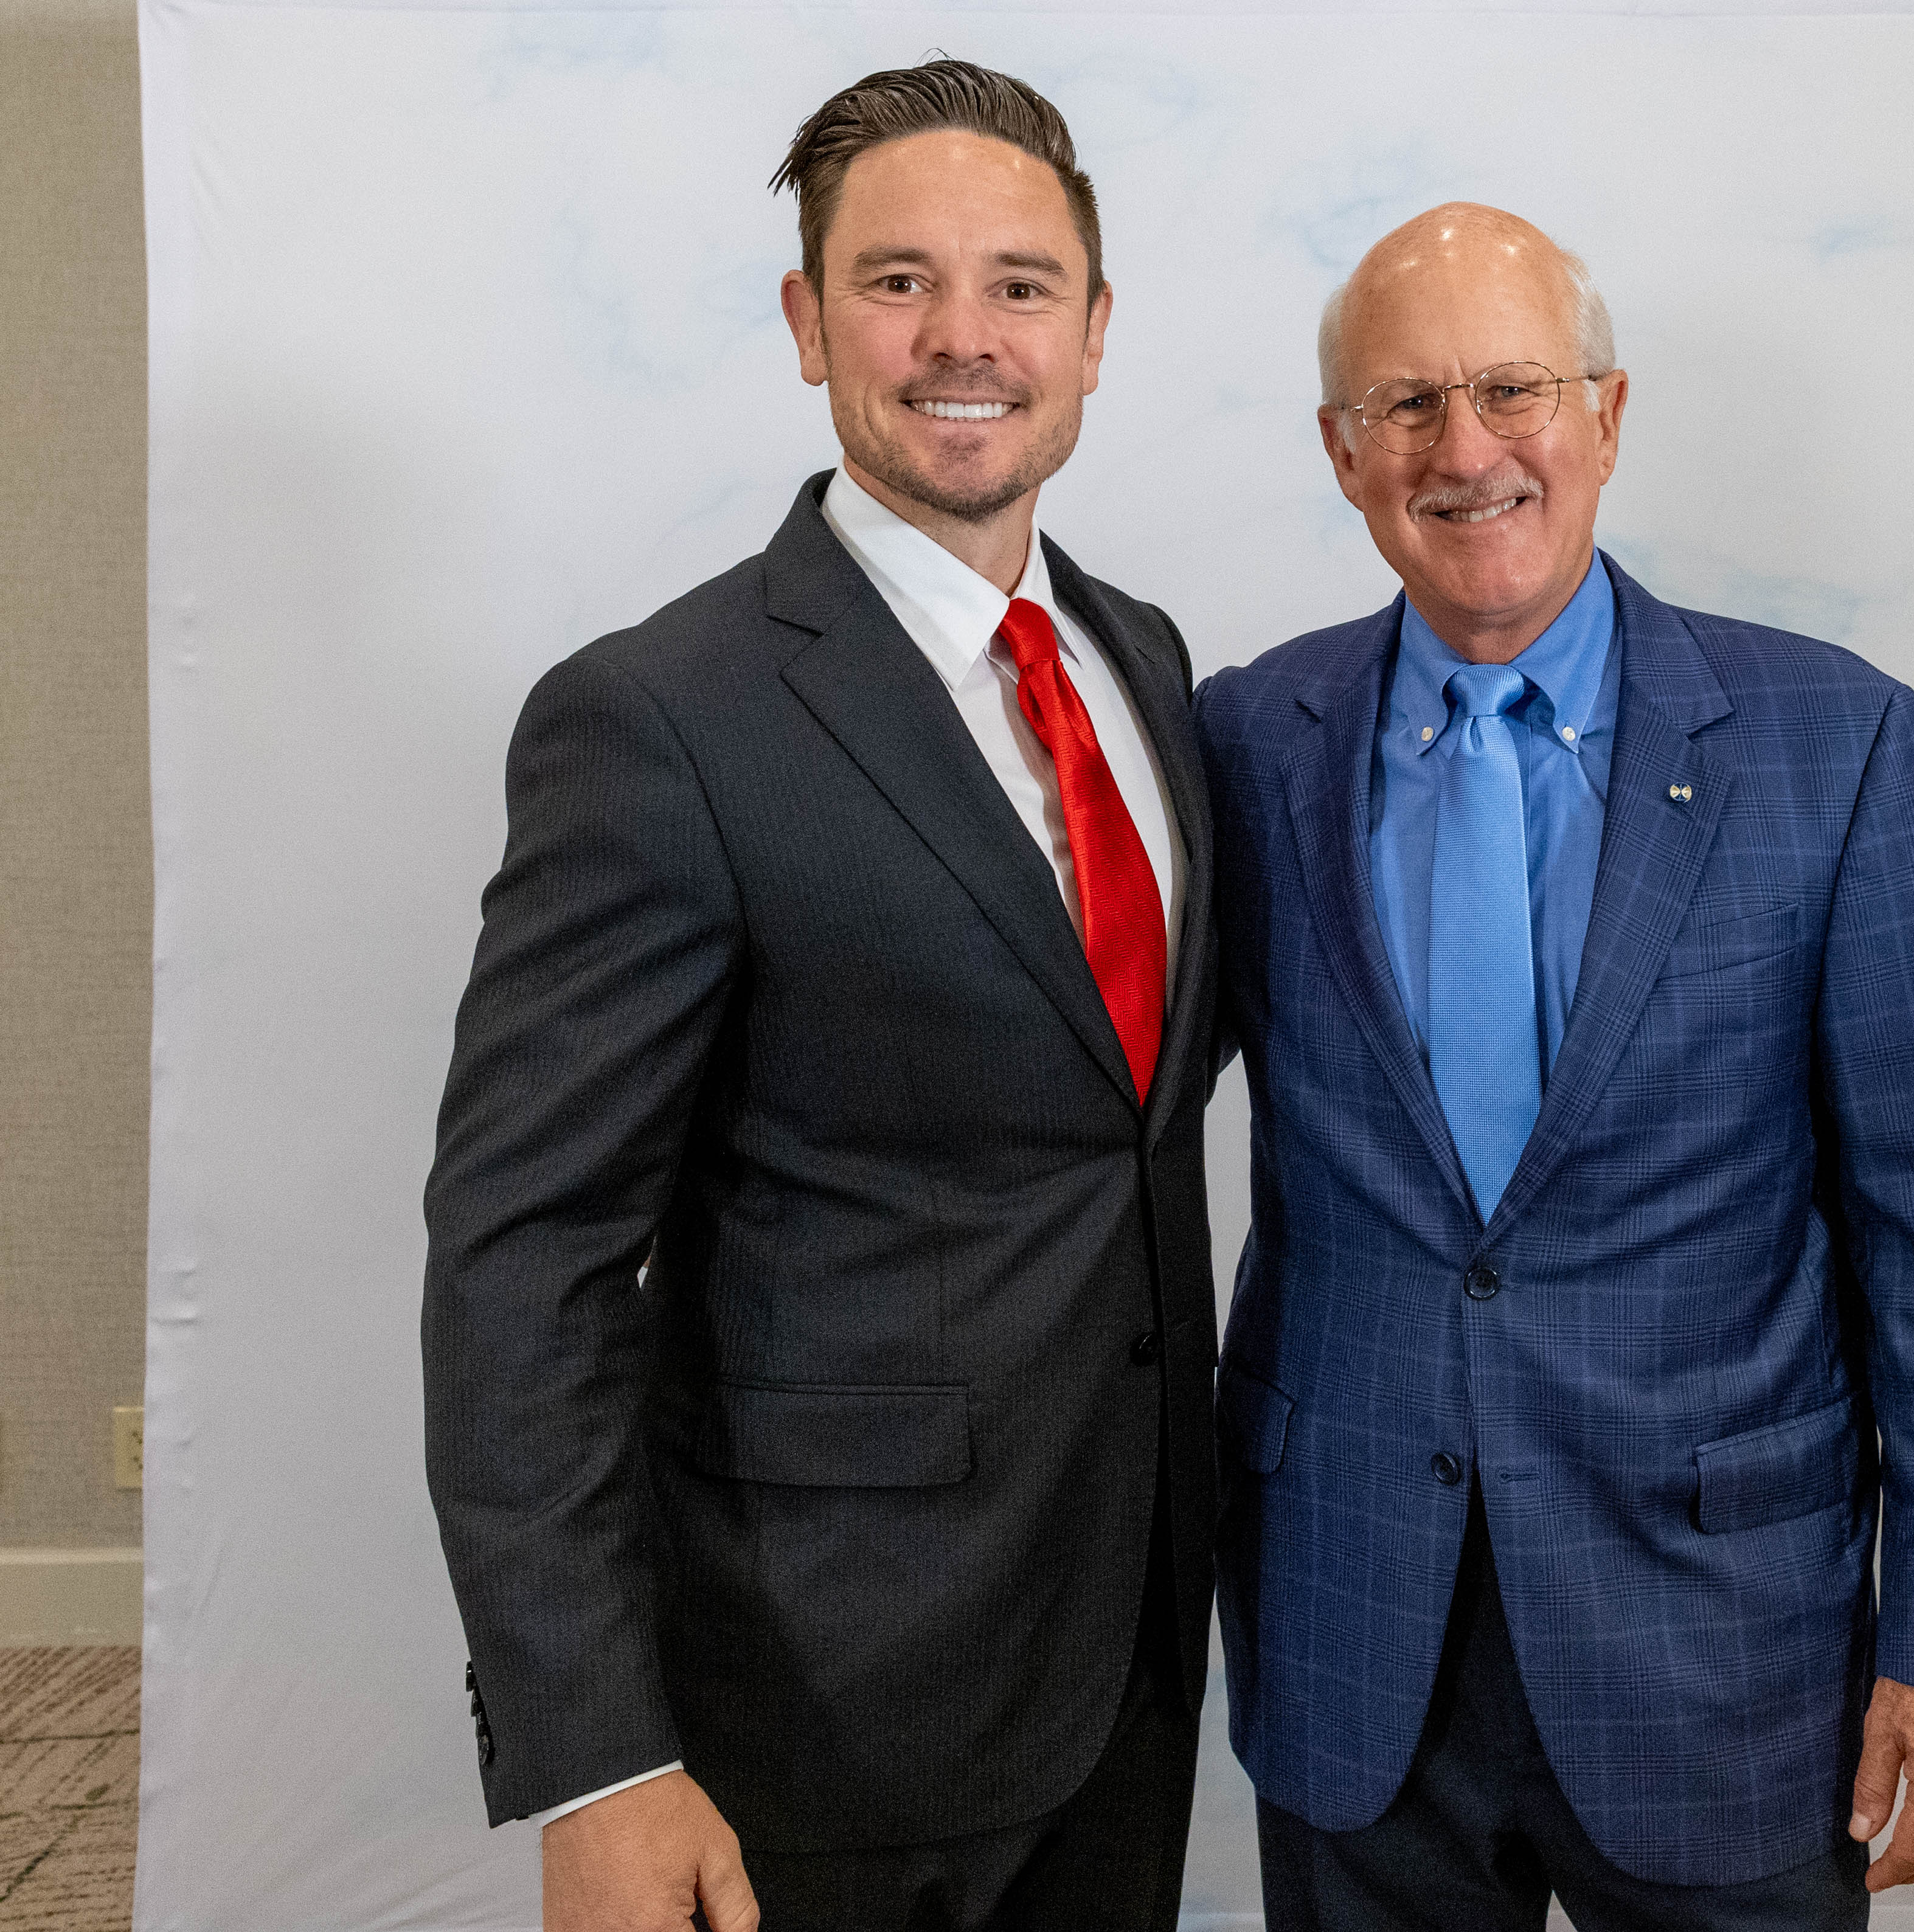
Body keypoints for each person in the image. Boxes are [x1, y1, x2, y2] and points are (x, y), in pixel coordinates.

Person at [422, 60, 1218, 1932]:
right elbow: (526, 1259)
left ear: (1096, 334)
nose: (965, 337)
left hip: (1127, 1663)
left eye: (1021, 286)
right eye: (897, 281)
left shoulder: (1146, 662)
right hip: (819, 1703)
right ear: (806, 321)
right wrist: (596, 1757)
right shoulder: (658, 719)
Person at [1195, 204, 1914, 1930]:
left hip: (1725, 1643)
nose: (1467, 450)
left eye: (1514, 389)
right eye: (1406, 404)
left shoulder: (1834, 743)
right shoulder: (1243, 741)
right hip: (1356, 1627)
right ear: (1343, 454)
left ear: (1606, 413)